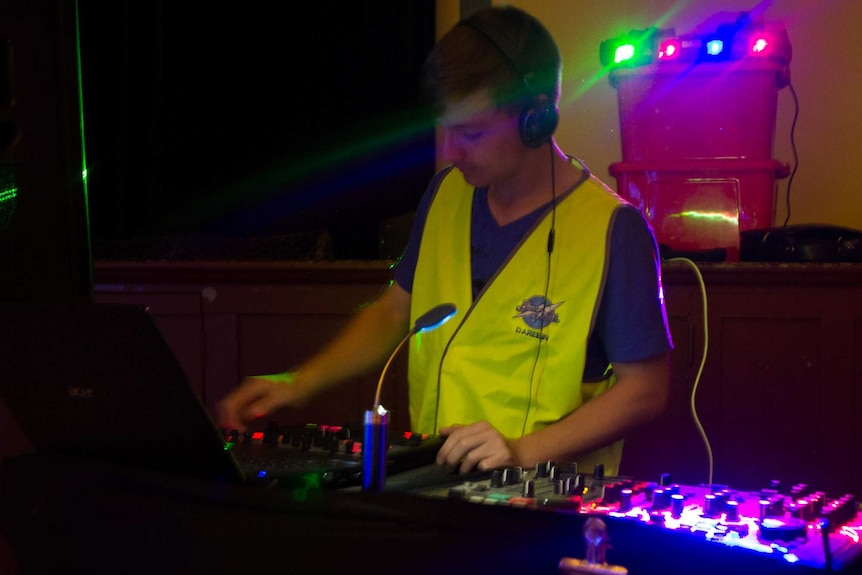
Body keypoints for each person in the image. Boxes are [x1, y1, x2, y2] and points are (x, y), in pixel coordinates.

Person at [218, 5, 672, 478]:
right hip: (437, 482)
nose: (451, 151)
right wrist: (298, 382)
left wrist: (522, 451)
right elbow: (394, 310)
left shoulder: (615, 229)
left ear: (536, 118)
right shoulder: (444, 194)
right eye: (446, 129)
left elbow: (645, 389)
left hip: (544, 502)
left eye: (471, 133)